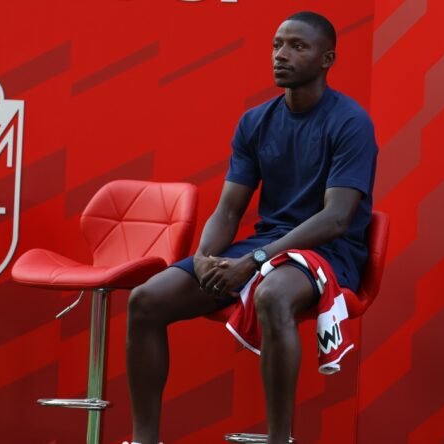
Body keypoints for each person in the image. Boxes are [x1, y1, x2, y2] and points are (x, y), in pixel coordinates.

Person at [125, 11, 377, 444]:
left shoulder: (351, 122)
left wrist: (256, 261)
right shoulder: (255, 122)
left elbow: (336, 219)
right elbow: (228, 210)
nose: (281, 55)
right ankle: (145, 440)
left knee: (272, 293)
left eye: (297, 46)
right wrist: (204, 257)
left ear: (327, 59)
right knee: (146, 299)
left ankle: (280, 439)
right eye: (277, 44)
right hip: (267, 247)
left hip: (327, 254)